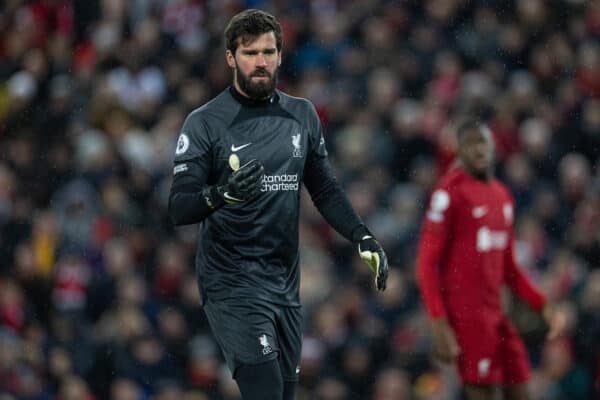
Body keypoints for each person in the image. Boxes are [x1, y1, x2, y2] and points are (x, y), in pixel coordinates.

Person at [167, 9, 388, 400]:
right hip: (230, 282)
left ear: (281, 55)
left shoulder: (301, 114)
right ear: (231, 58)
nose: (261, 61)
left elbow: (325, 189)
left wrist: (362, 236)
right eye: (250, 53)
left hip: (284, 283)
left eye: (269, 51)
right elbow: (180, 206)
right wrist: (223, 194)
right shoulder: (205, 123)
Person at [416, 118, 565, 400]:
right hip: (466, 316)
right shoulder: (448, 194)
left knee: (522, 386)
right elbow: (426, 263)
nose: (478, 150)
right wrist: (439, 323)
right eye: (470, 144)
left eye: (483, 143)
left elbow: (509, 268)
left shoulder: (502, 197)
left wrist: (542, 304)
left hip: (496, 314)